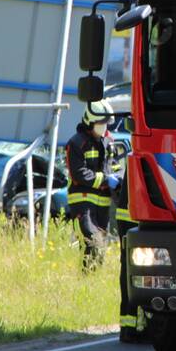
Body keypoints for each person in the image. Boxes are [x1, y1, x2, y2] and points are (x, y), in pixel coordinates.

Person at [66, 101, 119, 271]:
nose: (104, 128)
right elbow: (79, 173)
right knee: (92, 241)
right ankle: (86, 276)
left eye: (106, 124)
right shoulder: (76, 143)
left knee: (101, 245)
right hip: (83, 203)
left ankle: (91, 279)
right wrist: (105, 180)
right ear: (89, 121)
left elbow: (114, 166)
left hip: (103, 204)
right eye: (100, 124)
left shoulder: (109, 141)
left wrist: (119, 178)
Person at [115, 171, 149, 343]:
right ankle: (135, 327)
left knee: (129, 269)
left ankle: (129, 327)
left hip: (129, 214)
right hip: (136, 216)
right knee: (139, 270)